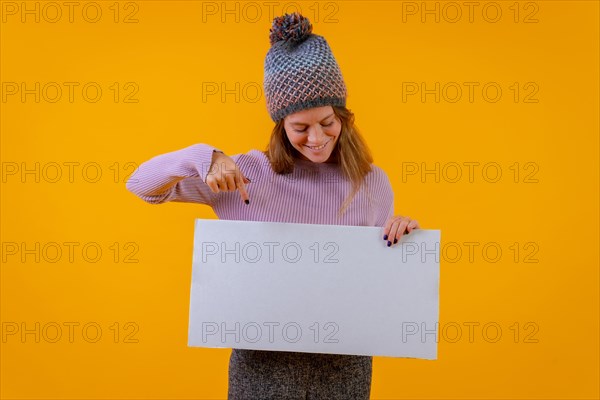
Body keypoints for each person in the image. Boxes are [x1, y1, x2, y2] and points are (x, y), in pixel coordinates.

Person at [126, 12, 420, 400]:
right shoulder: (245, 174)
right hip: (261, 369)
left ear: (343, 116)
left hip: (345, 366)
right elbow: (141, 185)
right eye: (300, 127)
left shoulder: (372, 182)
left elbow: (377, 284)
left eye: (328, 122)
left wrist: (400, 238)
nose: (317, 138)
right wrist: (205, 156)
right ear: (280, 125)